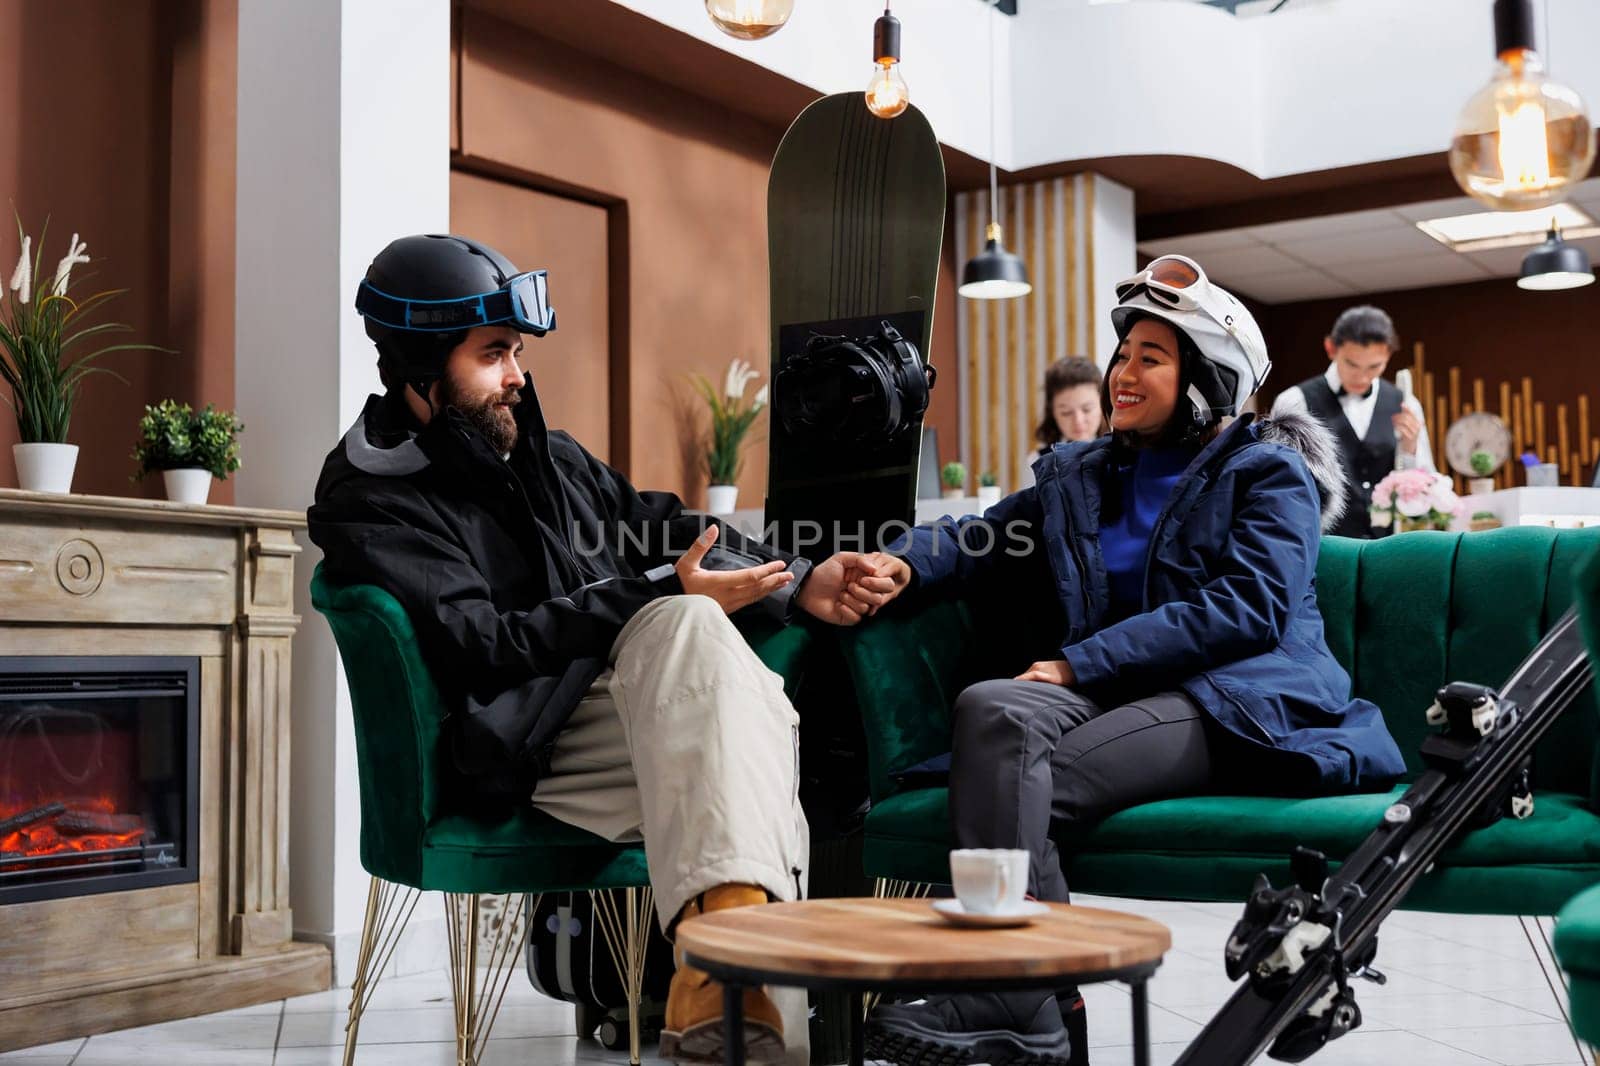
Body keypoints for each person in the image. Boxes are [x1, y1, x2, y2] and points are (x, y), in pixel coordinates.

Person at [307, 234, 884, 1065]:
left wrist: (795, 582)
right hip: (525, 743)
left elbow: (676, 528)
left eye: (517, 353)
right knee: (712, 666)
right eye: (493, 354)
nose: (517, 375)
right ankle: (749, 987)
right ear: (419, 370)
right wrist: (657, 593)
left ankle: (727, 991)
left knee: (740, 711)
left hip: (641, 716)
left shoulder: (549, 457)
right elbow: (486, 648)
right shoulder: (372, 500)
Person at [831, 255, 1407, 1066]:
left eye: (1151, 357)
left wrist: (1077, 664)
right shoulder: (1086, 473)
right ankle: (1027, 1000)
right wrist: (904, 563)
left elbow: (1248, 609)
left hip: (1236, 701)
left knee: (1017, 776)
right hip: (1124, 694)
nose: (1121, 374)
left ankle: (1027, 997)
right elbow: (983, 536)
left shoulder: (1267, 472)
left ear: (1207, 378)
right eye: (1123, 353)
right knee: (993, 710)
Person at [1269, 305, 1435, 538]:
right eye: (1352, 364)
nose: (1363, 377)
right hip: (1325, 544)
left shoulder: (1406, 403)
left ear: (1388, 355)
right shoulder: (1294, 401)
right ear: (1331, 349)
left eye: (1375, 366)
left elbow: (1426, 482)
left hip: (1388, 545)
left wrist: (1410, 449)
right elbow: (1281, 483)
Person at [1017, 356, 1104, 490]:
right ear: (1052, 412)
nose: (1078, 421)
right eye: (1066, 412)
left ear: (1103, 405)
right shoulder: (1038, 462)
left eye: (1087, 409)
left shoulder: (1123, 456)